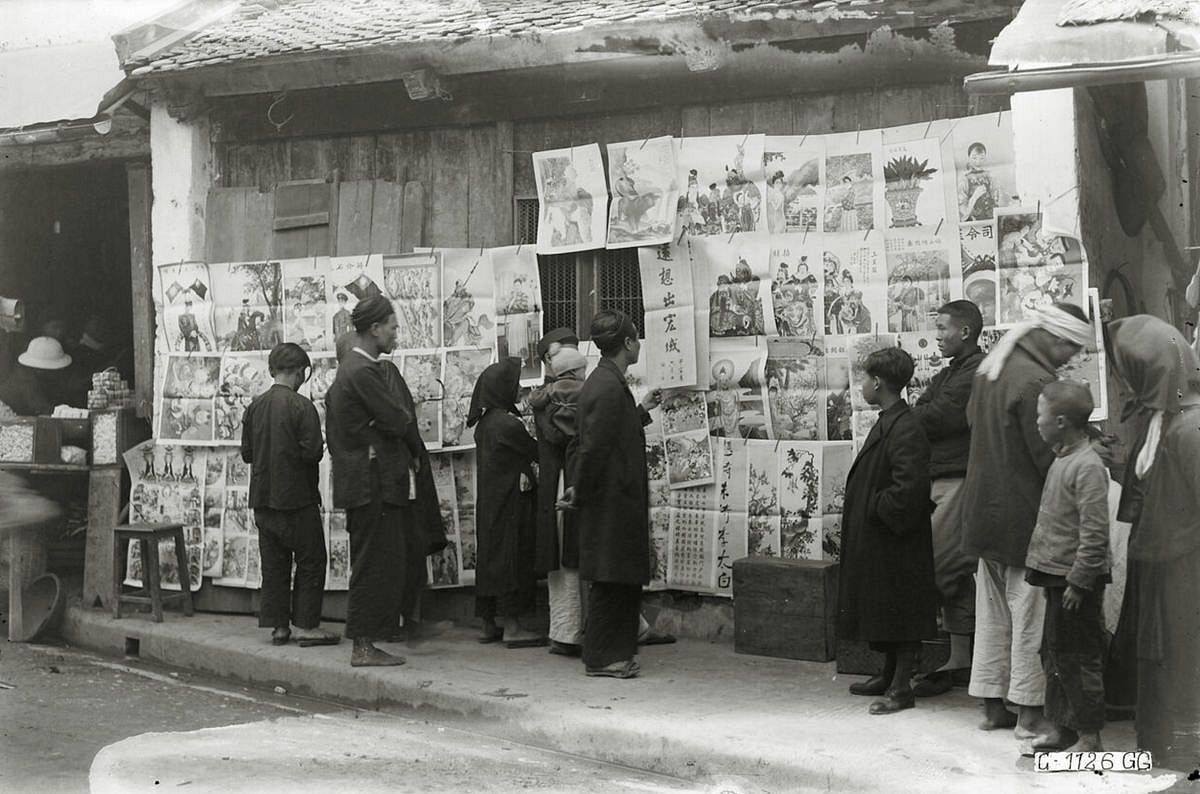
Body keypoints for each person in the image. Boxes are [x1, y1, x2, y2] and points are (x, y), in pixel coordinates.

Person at [959, 302, 1093, 751]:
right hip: (1023, 518)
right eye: (1070, 348)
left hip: (984, 511)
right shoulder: (1037, 381)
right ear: (1052, 338)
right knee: (1032, 617)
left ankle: (993, 706)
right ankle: (1030, 715)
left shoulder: (994, 368)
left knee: (993, 615)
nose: (1070, 357)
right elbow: (1050, 456)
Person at [325, 295, 444, 667]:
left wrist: (387, 423)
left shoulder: (355, 369)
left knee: (376, 562)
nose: (396, 334)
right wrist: (389, 423)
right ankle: (363, 646)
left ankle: (368, 641)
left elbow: (389, 420)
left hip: (367, 481)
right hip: (371, 483)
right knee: (372, 564)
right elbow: (399, 419)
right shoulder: (363, 371)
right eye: (392, 327)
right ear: (374, 328)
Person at [1107, 315, 1200, 769]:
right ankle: (1164, 744)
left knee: (1181, 658)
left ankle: (1183, 749)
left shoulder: (1190, 427)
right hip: (1162, 562)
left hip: (1185, 570)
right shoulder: (1162, 419)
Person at [559, 311, 662, 678]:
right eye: (637, 339)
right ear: (630, 343)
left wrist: (642, 411)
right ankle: (602, 658)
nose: (638, 344)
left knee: (620, 577)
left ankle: (612, 653)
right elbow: (594, 448)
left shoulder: (607, 381)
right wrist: (580, 490)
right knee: (610, 578)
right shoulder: (604, 386)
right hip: (609, 502)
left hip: (616, 498)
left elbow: (612, 431)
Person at [837, 346, 937, 715]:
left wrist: (873, 506)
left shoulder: (905, 426)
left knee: (901, 610)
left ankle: (901, 687)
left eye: (865, 378)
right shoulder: (890, 419)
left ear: (878, 382)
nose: (862, 384)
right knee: (888, 608)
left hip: (897, 541)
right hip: (884, 538)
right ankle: (889, 673)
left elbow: (908, 490)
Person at [1024, 380, 1110, 752]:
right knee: (1055, 654)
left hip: (1076, 582)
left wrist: (1078, 581)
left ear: (1060, 421)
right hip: (1056, 576)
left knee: (1079, 658)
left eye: (1040, 416)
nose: (1036, 423)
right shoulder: (1063, 457)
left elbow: (1095, 533)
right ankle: (1064, 726)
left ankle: (1089, 736)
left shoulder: (1087, 466)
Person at [907, 301, 985, 697]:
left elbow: (934, 417)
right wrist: (925, 411)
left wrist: (925, 413)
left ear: (965, 332)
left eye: (942, 328)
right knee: (957, 576)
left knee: (939, 568)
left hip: (957, 478)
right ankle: (960, 659)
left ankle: (921, 659)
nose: (936, 336)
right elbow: (924, 408)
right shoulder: (953, 371)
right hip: (945, 474)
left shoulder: (974, 372)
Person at [240, 343, 339, 648]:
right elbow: (312, 454)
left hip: (262, 501)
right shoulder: (302, 406)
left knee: (274, 564)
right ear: (300, 371)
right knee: (311, 560)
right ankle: (307, 627)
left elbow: (247, 455)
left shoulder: (254, 406)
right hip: (296, 499)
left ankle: (279, 627)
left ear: (272, 370)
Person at [469, 358, 545, 648]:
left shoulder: (485, 423)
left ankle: (488, 623)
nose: (518, 389)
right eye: (514, 385)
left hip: (490, 503)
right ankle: (513, 626)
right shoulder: (507, 424)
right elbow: (536, 452)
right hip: (512, 503)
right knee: (513, 559)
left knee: (490, 558)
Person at [529, 328, 586, 655]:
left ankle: (567, 631)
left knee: (569, 558)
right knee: (568, 559)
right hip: (565, 484)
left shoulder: (545, 396)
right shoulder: (560, 399)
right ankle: (567, 633)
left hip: (560, 483)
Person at [0, 336, 74, 415]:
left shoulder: (35, 376)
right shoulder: (26, 381)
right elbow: (43, 409)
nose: (58, 373)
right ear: (43, 370)